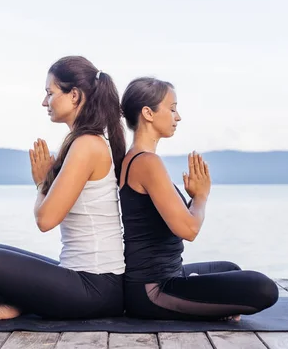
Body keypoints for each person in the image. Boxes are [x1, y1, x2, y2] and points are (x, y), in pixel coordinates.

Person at [0, 56, 127, 321]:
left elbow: (46, 220)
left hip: (97, 288)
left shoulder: (87, 145)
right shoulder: (85, 141)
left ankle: (16, 306)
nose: (44, 102)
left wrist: (41, 182)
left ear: (74, 96)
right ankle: (16, 306)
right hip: (91, 282)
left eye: (50, 93)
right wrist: (46, 180)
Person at [119, 77, 279, 321]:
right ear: (148, 113)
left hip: (167, 275)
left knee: (230, 269)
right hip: (152, 290)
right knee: (263, 288)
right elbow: (189, 229)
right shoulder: (146, 162)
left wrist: (193, 198)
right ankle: (208, 305)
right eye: (172, 109)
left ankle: (208, 303)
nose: (178, 116)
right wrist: (201, 196)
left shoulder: (135, 158)